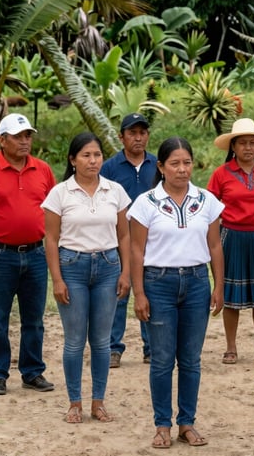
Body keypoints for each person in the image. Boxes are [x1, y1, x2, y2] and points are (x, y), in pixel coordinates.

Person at [129, 136, 224, 449]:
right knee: (161, 360)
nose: (182, 169)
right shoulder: (145, 203)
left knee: (191, 360)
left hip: (197, 282)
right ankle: (162, 425)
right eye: (174, 164)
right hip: (159, 284)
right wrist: (139, 293)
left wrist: (219, 284)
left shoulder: (206, 201)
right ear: (161, 166)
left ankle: (187, 422)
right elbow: (137, 250)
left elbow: (214, 245)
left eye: (187, 163)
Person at [0, 113, 56, 396]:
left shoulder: (42, 170)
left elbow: (54, 213)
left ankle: (32, 372)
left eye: (28, 135)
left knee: (34, 319)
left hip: (36, 254)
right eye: (18, 136)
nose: (25, 141)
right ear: (1, 140)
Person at [43, 132, 131, 424]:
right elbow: (51, 239)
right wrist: (57, 279)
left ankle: (98, 402)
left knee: (102, 341)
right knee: (75, 340)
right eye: (86, 155)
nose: (93, 161)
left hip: (108, 266)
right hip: (72, 266)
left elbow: (124, 234)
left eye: (97, 155)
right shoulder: (60, 193)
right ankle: (74, 402)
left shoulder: (114, 190)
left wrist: (125, 272)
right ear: (72, 160)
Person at [207, 118, 254, 364]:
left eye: (252, 143)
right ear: (233, 146)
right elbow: (210, 208)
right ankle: (231, 347)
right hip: (232, 238)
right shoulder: (221, 174)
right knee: (232, 296)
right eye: (242, 143)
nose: (248, 148)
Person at [100, 112, 158, 368]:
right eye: (132, 133)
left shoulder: (158, 165)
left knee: (151, 293)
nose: (138, 138)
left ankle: (151, 347)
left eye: (142, 132)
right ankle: (114, 348)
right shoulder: (109, 168)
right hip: (118, 240)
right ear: (121, 136)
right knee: (119, 293)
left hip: (153, 241)